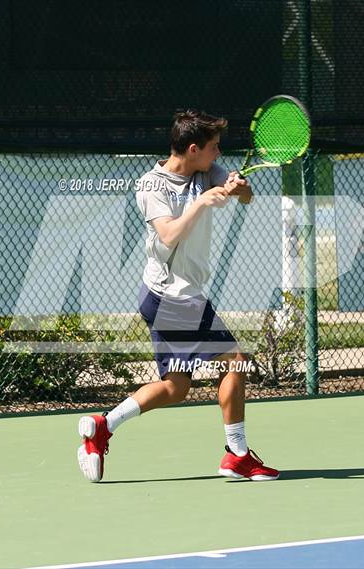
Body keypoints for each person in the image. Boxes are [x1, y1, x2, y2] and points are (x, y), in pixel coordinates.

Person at [77, 110, 279, 483]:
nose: (219, 154)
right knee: (235, 360)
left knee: (176, 386)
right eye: (214, 148)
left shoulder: (207, 171)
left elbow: (246, 197)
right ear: (192, 148)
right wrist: (201, 204)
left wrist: (238, 187)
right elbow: (168, 235)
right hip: (174, 297)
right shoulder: (150, 186)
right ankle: (237, 455)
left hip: (169, 295)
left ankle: (103, 426)